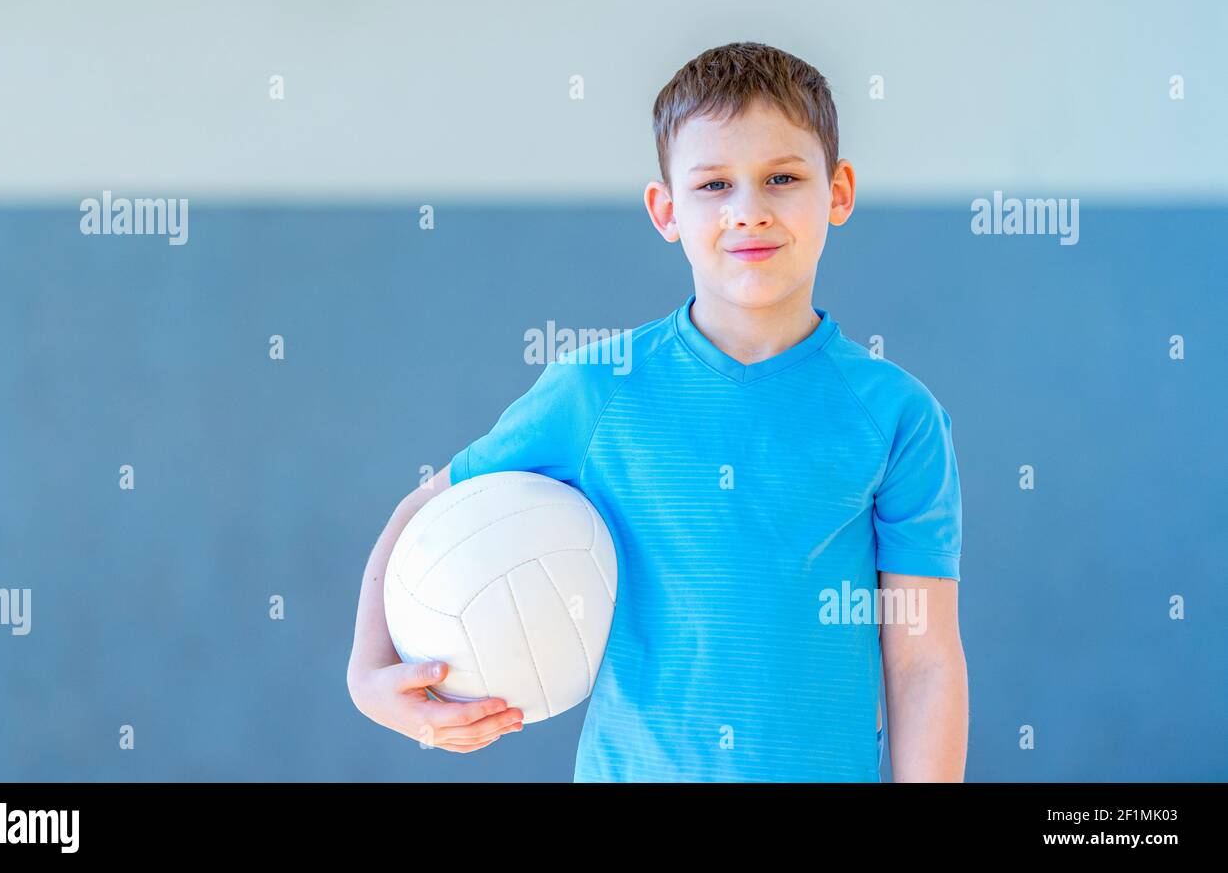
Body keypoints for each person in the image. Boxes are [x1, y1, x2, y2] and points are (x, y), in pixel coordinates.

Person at [347, 41, 968, 781]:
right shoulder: (596, 390)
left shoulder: (898, 416)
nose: (749, 211)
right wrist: (368, 674)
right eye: (713, 185)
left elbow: (923, 659)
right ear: (665, 209)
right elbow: (424, 507)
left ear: (837, 192)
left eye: (782, 177)